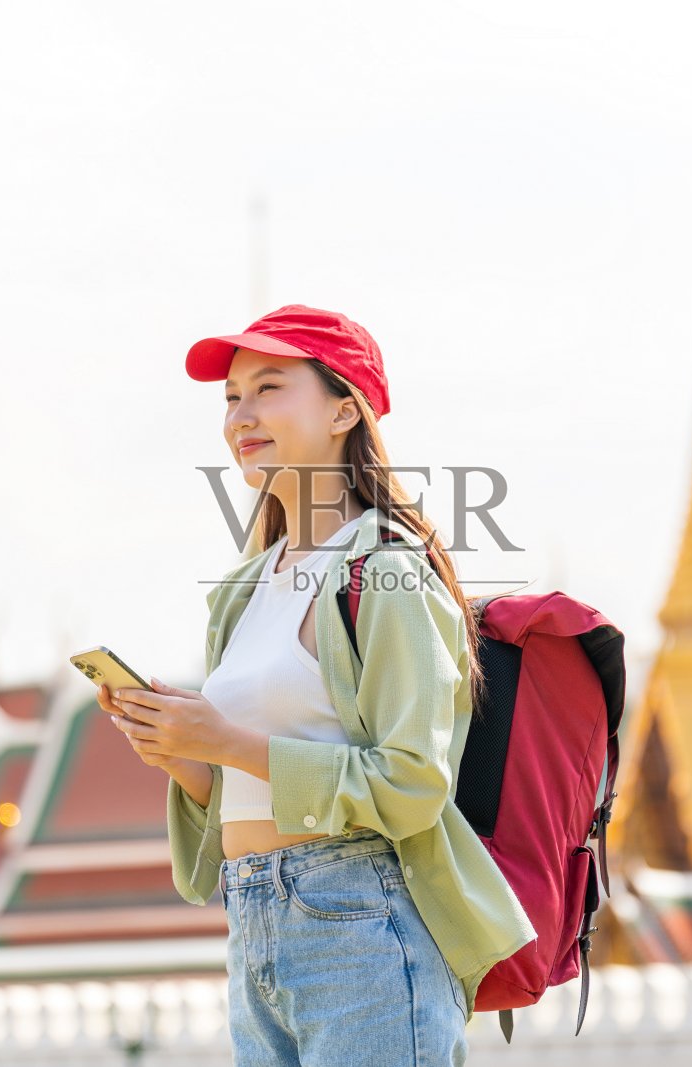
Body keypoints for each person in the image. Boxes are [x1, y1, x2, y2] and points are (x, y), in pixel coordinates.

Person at [94, 304, 536, 1065]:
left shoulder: (387, 574)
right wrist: (177, 747)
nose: (242, 415)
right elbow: (241, 783)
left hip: (361, 920)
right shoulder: (242, 589)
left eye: (268, 387)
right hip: (253, 921)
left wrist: (225, 737)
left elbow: (411, 782)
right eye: (231, 398)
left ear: (343, 410)